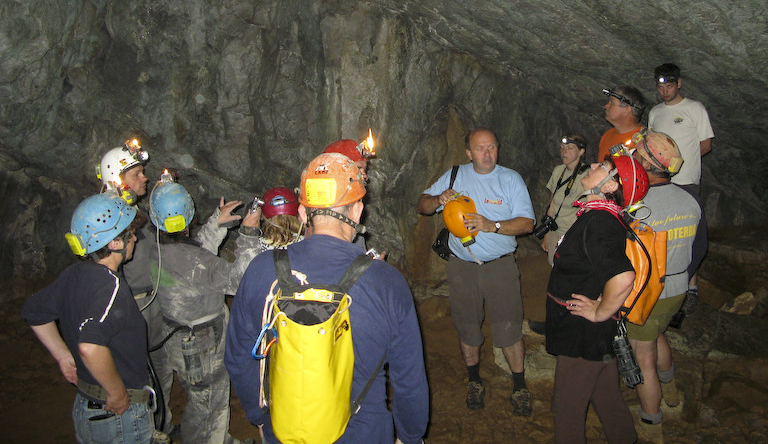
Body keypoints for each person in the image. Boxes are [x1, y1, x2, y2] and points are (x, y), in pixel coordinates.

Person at [226, 152, 429, 443]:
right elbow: (409, 381)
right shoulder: (386, 282)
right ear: (358, 211)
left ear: (302, 213)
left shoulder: (261, 270)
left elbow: (238, 358)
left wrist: (259, 416)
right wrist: (410, 436)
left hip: (285, 432)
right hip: (364, 433)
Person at [97, 140, 242, 440]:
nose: (144, 178)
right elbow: (190, 260)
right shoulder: (111, 228)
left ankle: (162, 427)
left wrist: (215, 223)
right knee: (146, 385)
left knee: (162, 383)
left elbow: (181, 254)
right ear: (117, 180)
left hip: (163, 317)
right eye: (136, 174)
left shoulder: (139, 220)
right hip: (137, 317)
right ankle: (154, 431)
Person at [417, 128, 535, 416]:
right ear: (469, 153)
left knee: (508, 327)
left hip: (500, 266)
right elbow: (422, 204)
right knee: (467, 326)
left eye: (492, 147)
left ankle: (519, 385)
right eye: (480, 149)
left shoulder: (510, 179)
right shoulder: (455, 175)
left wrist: (491, 225)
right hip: (462, 267)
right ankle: (474, 381)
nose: (487, 154)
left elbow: (527, 224)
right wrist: (437, 201)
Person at [22, 193, 154, 444]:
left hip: (87, 404)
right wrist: (116, 392)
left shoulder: (74, 273)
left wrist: (63, 356)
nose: (135, 238)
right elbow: (90, 347)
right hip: (117, 415)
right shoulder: (111, 287)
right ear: (116, 242)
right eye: (130, 233)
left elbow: (34, 312)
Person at [147, 175, 259, 444]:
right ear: (189, 214)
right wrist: (248, 234)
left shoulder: (156, 249)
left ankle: (216, 437)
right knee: (208, 405)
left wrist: (215, 224)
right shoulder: (194, 262)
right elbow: (239, 280)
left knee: (199, 400)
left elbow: (194, 258)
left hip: (175, 336)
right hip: (201, 346)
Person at [545, 154, 649, 444]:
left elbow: (623, 276)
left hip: (583, 334)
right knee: (606, 396)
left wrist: (600, 312)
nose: (592, 166)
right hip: (593, 338)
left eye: (602, 168)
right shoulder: (598, 215)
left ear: (609, 186)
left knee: (566, 409)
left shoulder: (600, 222)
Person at [627, 131, 700, 444]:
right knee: (658, 335)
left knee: (643, 358)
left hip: (648, 294)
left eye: (639, 154)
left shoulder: (641, 207)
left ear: (647, 162)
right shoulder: (690, 201)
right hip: (678, 288)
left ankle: (651, 423)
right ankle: (671, 394)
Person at [648, 63, 714, 315]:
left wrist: (680, 163)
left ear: (679, 84)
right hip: (660, 182)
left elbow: (705, 145)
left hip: (685, 180)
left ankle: (691, 285)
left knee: (689, 233)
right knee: (663, 233)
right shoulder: (655, 112)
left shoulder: (694, 108)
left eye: (669, 85)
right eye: (660, 86)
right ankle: (661, 282)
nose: (664, 90)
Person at [539, 134, 591, 267]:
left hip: (573, 234)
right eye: (562, 148)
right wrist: (547, 233)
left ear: (581, 151)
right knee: (553, 264)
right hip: (555, 231)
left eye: (570, 148)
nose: (564, 151)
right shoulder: (558, 171)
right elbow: (552, 204)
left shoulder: (588, 175)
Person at [598, 86, 646, 161]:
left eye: (612, 103)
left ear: (627, 110)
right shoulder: (607, 135)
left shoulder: (643, 142)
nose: (606, 106)